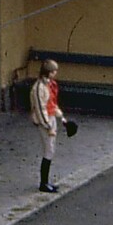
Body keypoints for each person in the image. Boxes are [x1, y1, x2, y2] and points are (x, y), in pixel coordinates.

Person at [30, 58, 69, 193]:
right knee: (49, 150)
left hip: (51, 117)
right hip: (45, 121)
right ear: (48, 72)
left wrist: (62, 118)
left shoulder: (49, 85)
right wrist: (48, 126)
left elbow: (52, 103)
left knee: (51, 150)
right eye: (53, 71)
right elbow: (41, 109)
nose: (55, 74)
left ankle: (46, 181)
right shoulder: (39, 88)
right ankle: (43, 182)